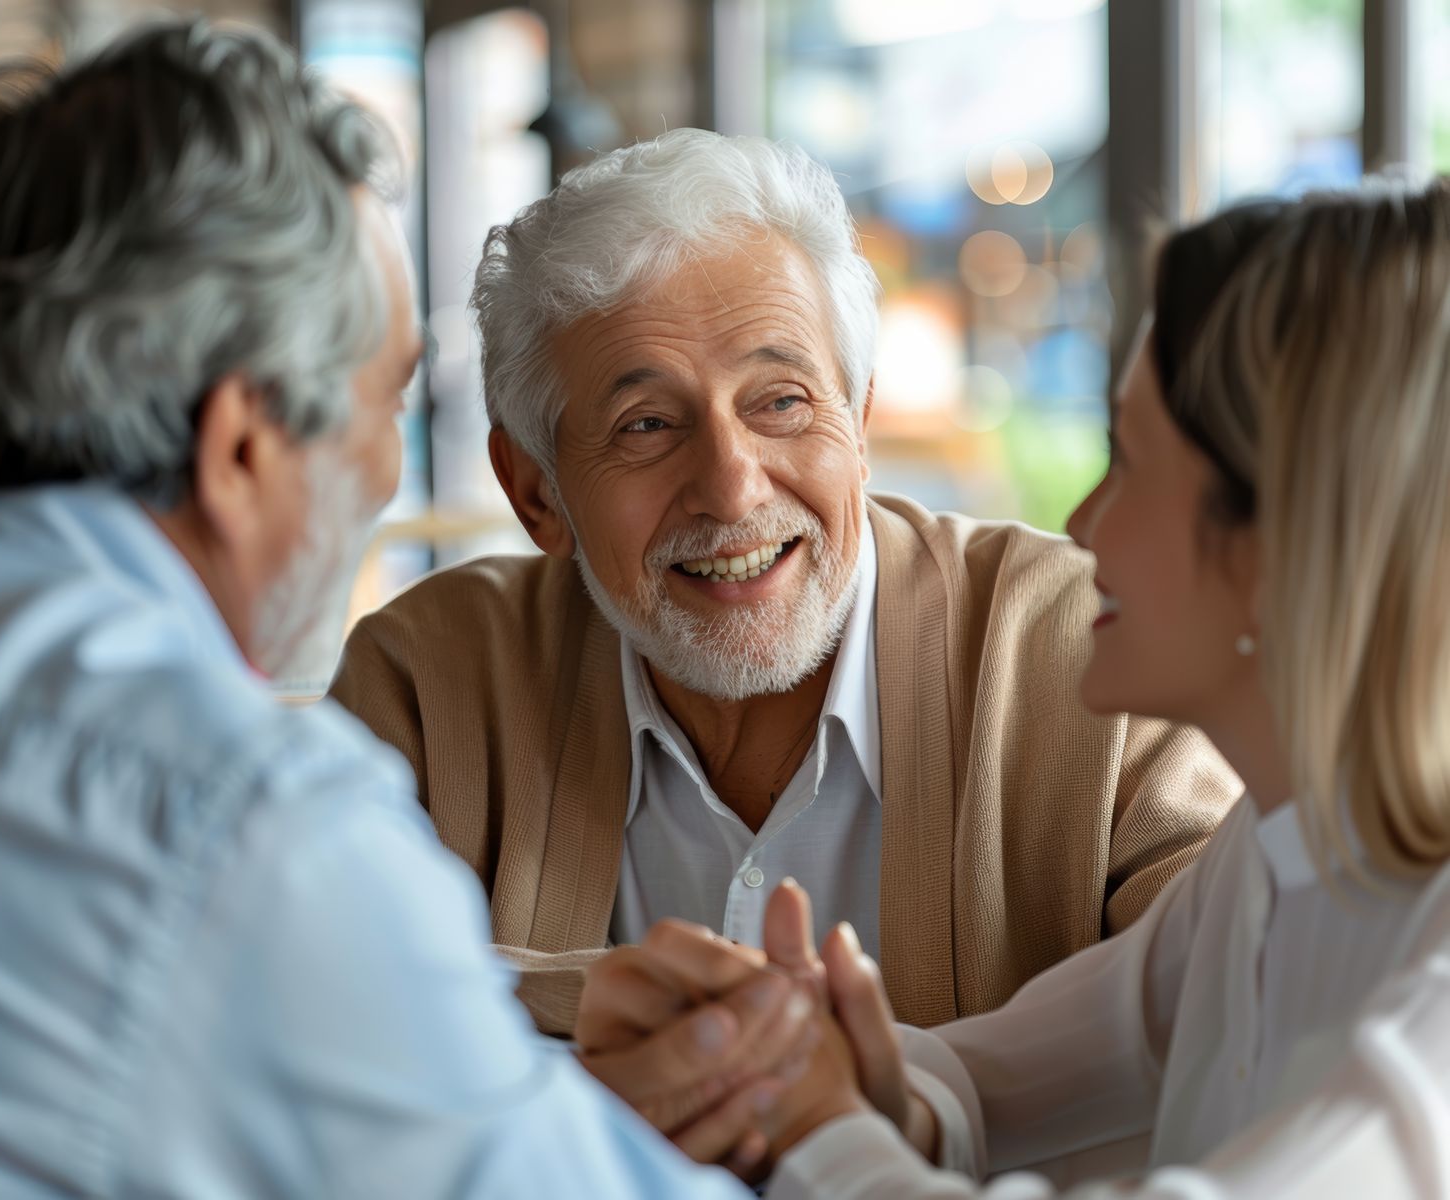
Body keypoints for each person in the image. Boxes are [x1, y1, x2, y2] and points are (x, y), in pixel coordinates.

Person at [0, 22, 885, 1198]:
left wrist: (516, 1080)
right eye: (386, 404)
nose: (387, 476)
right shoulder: (240, 822)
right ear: (241, 450)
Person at [587, 179, 1450, 1196]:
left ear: (1286, 538)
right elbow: (988, 1077)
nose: (1083, 524)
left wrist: (817, 1119)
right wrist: (796, 1059)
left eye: (1128, 463)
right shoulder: (1273, 862)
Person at [329, 128, 1239, 1036]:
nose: (732, 487)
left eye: (782, 402)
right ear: (536, 490)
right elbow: (301, 1014)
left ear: (861, 421)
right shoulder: (429, 684)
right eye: (646, 425)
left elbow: (1251, 1012)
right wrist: (612, 1012)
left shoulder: (1096, 658)